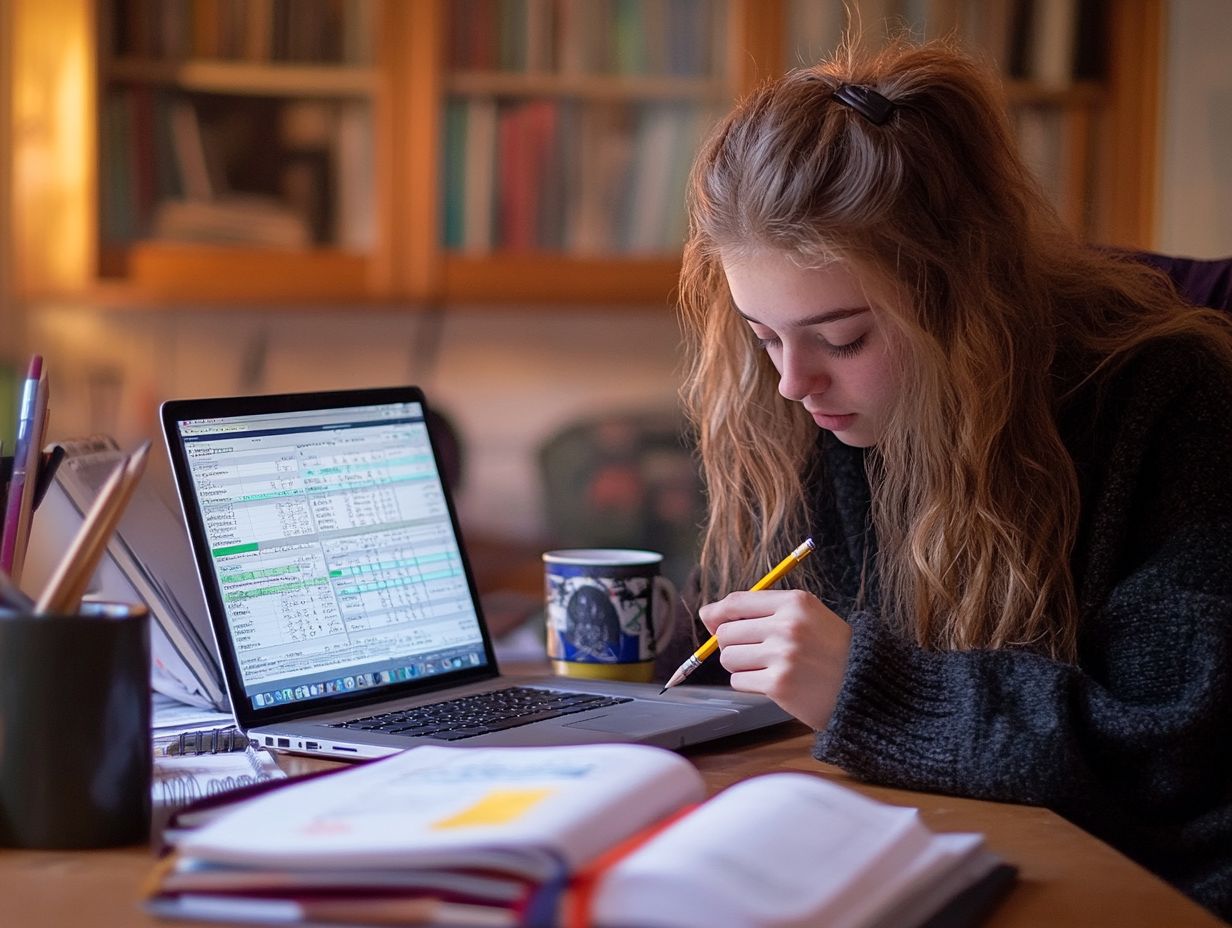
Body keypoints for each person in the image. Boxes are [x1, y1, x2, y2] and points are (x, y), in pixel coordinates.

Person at [661, 38, 1232, 918]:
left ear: (964, 296)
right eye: (762, 334)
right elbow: (727, 660)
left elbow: (1175, 747)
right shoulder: (801, 414)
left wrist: (875, 690)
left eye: (843, 338)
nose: (791, 381)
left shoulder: (1170, 398)